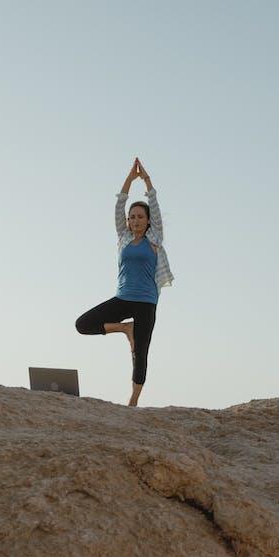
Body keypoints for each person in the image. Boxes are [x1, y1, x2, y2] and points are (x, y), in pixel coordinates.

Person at [74, 157, 174, 406]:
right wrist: (130, 179)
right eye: (132, 217)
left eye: (140, 217)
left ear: (148, 221)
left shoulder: (155, 238)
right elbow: (119, 204)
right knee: (83, 324)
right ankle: (124, 328)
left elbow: (154, 202)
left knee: (140, 354)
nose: (135, 220)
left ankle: (133, 401)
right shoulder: (123, 237)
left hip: (146, 302)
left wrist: (147, 180)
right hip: (123, 297)